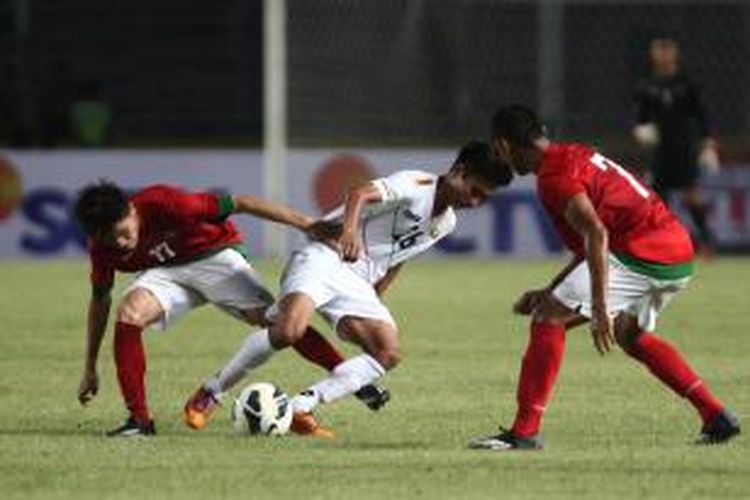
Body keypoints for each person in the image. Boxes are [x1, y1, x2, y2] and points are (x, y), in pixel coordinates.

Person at [184, 141, 512, 438]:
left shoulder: (447, 222)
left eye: (484, 198)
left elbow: (400, 257)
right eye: (475, 191)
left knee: (388, 352)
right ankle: (211, 391)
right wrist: (349, 232)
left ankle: (302, 406)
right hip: (325, 255)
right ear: (459, 171)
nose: (476, 201)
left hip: (355, 283)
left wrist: (376, 293)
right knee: (288, 331)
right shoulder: (416, 184)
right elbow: (358, 194)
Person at [469, 105, 740, 450]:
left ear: (505, 146)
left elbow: (596, 235)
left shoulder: (554, 178)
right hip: (674, 249)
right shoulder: (572, 154)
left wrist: (598, 307)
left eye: (498, 150)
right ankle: (716, 416)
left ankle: (524, 432)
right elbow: (592, 244)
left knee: (549, 317)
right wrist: (550, 289)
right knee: (630, 335)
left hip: (644, 252)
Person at [74, 181, 389, 437]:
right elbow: (100, 301)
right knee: (128, 314)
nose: (123, 243)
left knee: (282, 324)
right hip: (168, 273)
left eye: (125, 231)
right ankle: (139, 422)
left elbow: (241, 202)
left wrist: (307, 224)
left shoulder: (166, 202)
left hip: (214, 257)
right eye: (111, 239)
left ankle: (348, 376)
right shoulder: (103, 249)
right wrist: (90, 366)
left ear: (131, 209)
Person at [633, 36, 719, 254]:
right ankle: (666, 245)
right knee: (658, 199)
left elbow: (701, 115)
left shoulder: (688, 83)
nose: (663, 54)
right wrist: (641, 131)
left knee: (691, 195)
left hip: (684, 147)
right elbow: (641, 119)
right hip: (660, 151)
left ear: (675, 53)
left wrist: (707, 142)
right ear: (653, 54)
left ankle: (707, 238)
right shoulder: (646, 85)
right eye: (658, 49)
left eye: (667, 49)